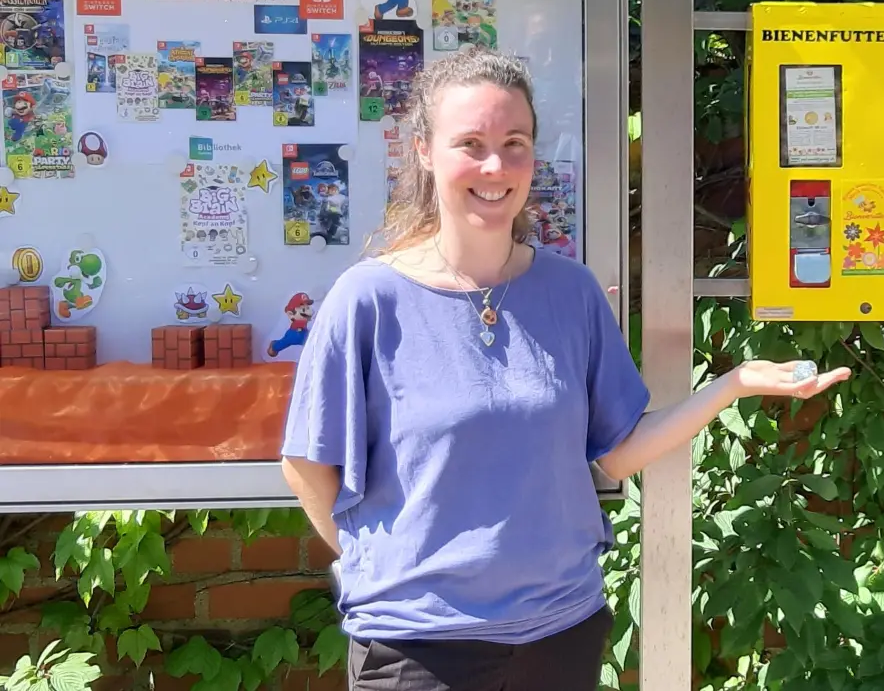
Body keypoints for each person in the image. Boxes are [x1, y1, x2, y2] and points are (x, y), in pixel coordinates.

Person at [279, 49, 851, 691]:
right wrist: (380, 567)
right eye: (470, 143)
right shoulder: (367, 300)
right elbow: (307, 464)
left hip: (559, 633)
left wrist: (733, 384)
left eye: (513, 142)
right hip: (420, 643)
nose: (495, 166)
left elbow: (617, 451)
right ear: (422, 151)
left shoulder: (571, 292)